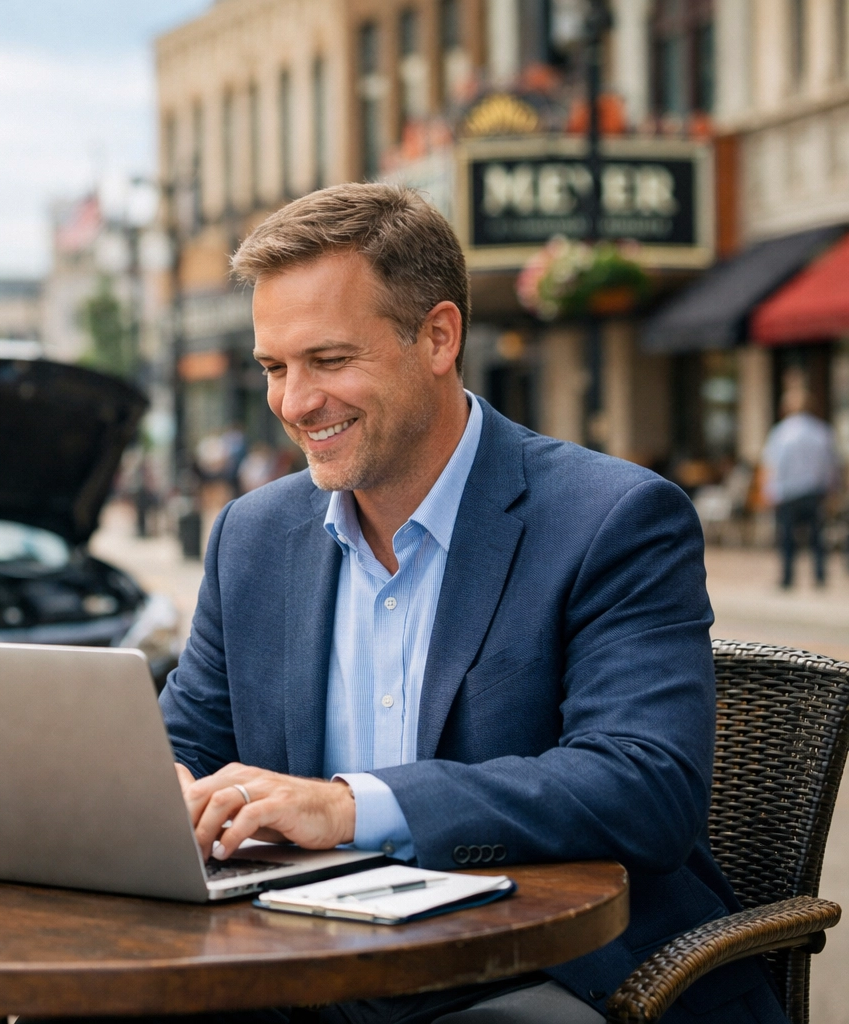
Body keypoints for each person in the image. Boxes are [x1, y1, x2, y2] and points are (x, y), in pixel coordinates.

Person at [155, 185, 785, 1024]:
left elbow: (644, 785)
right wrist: (157, 792)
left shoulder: (615, 519)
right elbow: (181, 745)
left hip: (546, 972)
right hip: (300, 961)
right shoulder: (253, 536)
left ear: (439, 337)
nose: (294, 403)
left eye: (331, 360)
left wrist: (348, 807)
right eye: (275, 367)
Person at [761, 382, 838, 588]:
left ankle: (787, 578)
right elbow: (830, 465)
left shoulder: (781, 433)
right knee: (816, 537)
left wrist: (770, 492)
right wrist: (831, 490)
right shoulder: (822, 431)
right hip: (814, 491)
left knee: (787, 537)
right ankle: (820, 576)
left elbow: (774, 466)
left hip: (788, 492)